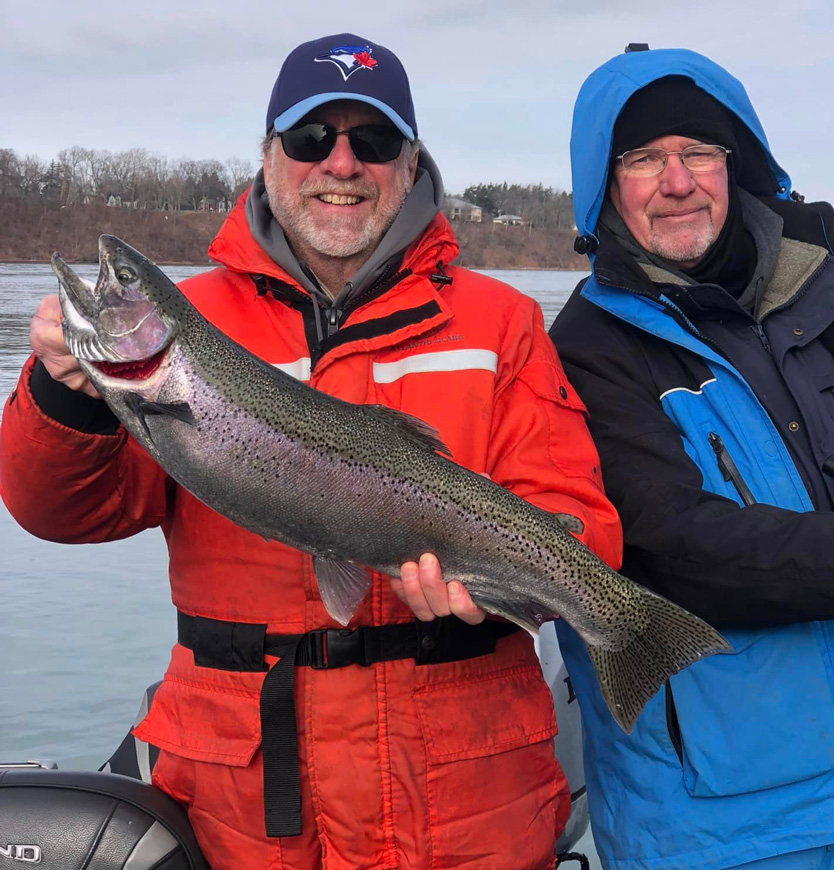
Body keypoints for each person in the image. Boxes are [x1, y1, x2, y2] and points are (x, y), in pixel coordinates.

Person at [0, 33, 623, 870]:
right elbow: (62, 514)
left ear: (409, 165)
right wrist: (58, 394)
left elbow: (579, 521)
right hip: (246, 805)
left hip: (469, 802)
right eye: (308, 140)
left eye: (370, 142)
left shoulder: (499, 320)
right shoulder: (187, 330)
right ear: (267, 158)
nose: (340, 164)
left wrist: (533, 589)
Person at [550, 46, 834, 870]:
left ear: (734, 167)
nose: (677, 181)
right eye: (642, 159)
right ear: (605, 186)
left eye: (698, 152)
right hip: (735, 826)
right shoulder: (586, 350)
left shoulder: (833, 297)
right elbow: (667, 546)